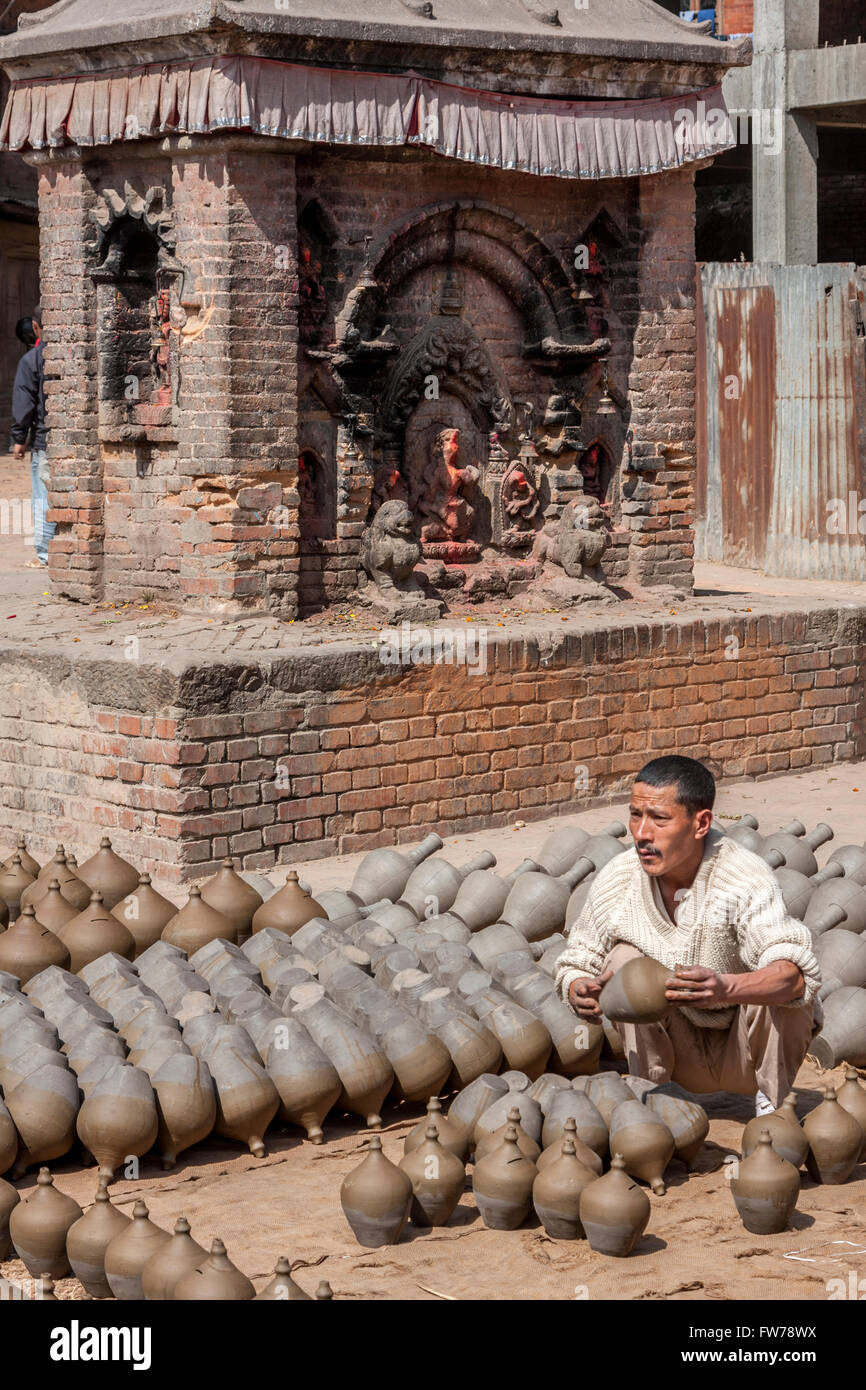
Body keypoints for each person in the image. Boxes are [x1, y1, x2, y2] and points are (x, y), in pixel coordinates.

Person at [555, 756, 821, 1114]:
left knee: (785, 983)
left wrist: (727, 987)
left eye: (659, 819)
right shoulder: (620, 877)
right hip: (675, 1056)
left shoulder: (742, 877)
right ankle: (654, 1104)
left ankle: (771, 1111)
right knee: (621, 963)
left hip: (743, 1055)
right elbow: (576, 959)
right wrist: (577, 987)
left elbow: (795, 977)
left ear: (701, 824)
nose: (641, 834)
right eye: (636, 815)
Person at [11, 303, 53, 569]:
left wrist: (18, 439)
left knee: (43, 498)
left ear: (37, 326)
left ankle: (46, 555)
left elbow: (24, 404)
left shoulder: (31, 361)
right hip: (72, 440)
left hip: (42, 440)